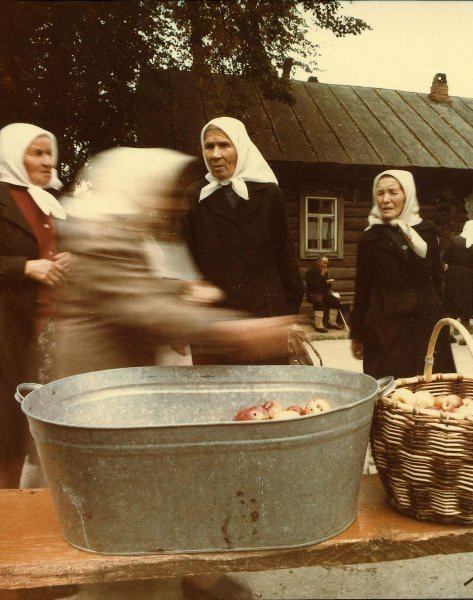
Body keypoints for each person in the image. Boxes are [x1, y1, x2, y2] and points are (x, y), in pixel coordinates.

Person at [52, 147, 297, 380]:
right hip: (96, 381)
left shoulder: (120, 230)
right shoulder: (103, 237)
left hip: (112, 377)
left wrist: (179, 290)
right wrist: (235, 332)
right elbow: (146, 307)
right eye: (170, 195)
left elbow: (132, 287)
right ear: (142, 188)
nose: (179, 205)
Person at [183, 116, 304, 365]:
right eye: (209, 146)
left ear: (241, 147)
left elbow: (286, 259)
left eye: (224, 145)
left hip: (265, 319)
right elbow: (187, 262)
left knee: (269, 398)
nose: (215, 154)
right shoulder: (194, 197)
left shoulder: (270, 194)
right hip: (216, 324)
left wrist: (288, 315)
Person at [0, 123, 71, 489]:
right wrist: (26, 267)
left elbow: (57, 250)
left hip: (47, 327)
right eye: (36, 153)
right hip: (8, 328)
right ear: (13, 155)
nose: (47, 162)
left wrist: (69, 257)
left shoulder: (49, 201)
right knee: (7, 428)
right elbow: (28, 260)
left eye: (49, 153)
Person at [350, 170, 455, 380]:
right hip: (386, 328)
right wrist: (358, 334)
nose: (386, 199)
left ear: (407, 195)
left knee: (434, 389)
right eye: (380, 193)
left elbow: (437, 281)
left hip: (426, 322)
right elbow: (362, 289)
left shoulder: (426, 232)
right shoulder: (370, 238)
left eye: (393, 192)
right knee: (392, 394)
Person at [442, 219, 473, 344]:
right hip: (470, 278)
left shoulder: (455, 240)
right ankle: (463, 336)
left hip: (454, 276)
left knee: (451, 303)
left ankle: (449, 333)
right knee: (467, 305)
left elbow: (446, 258)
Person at [305, 255, 343, 333]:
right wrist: (322, 277)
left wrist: (329, 285)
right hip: (312, 293)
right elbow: (312, 286)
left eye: (326, 263)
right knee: (319, 301)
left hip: (323, 292)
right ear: (318, 262)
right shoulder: (310, 271)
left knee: (335, 300)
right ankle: (318, 324)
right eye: (324, 263)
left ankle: (331, 322)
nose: (325, 265)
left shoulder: (325, 271)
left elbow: (325, 286)